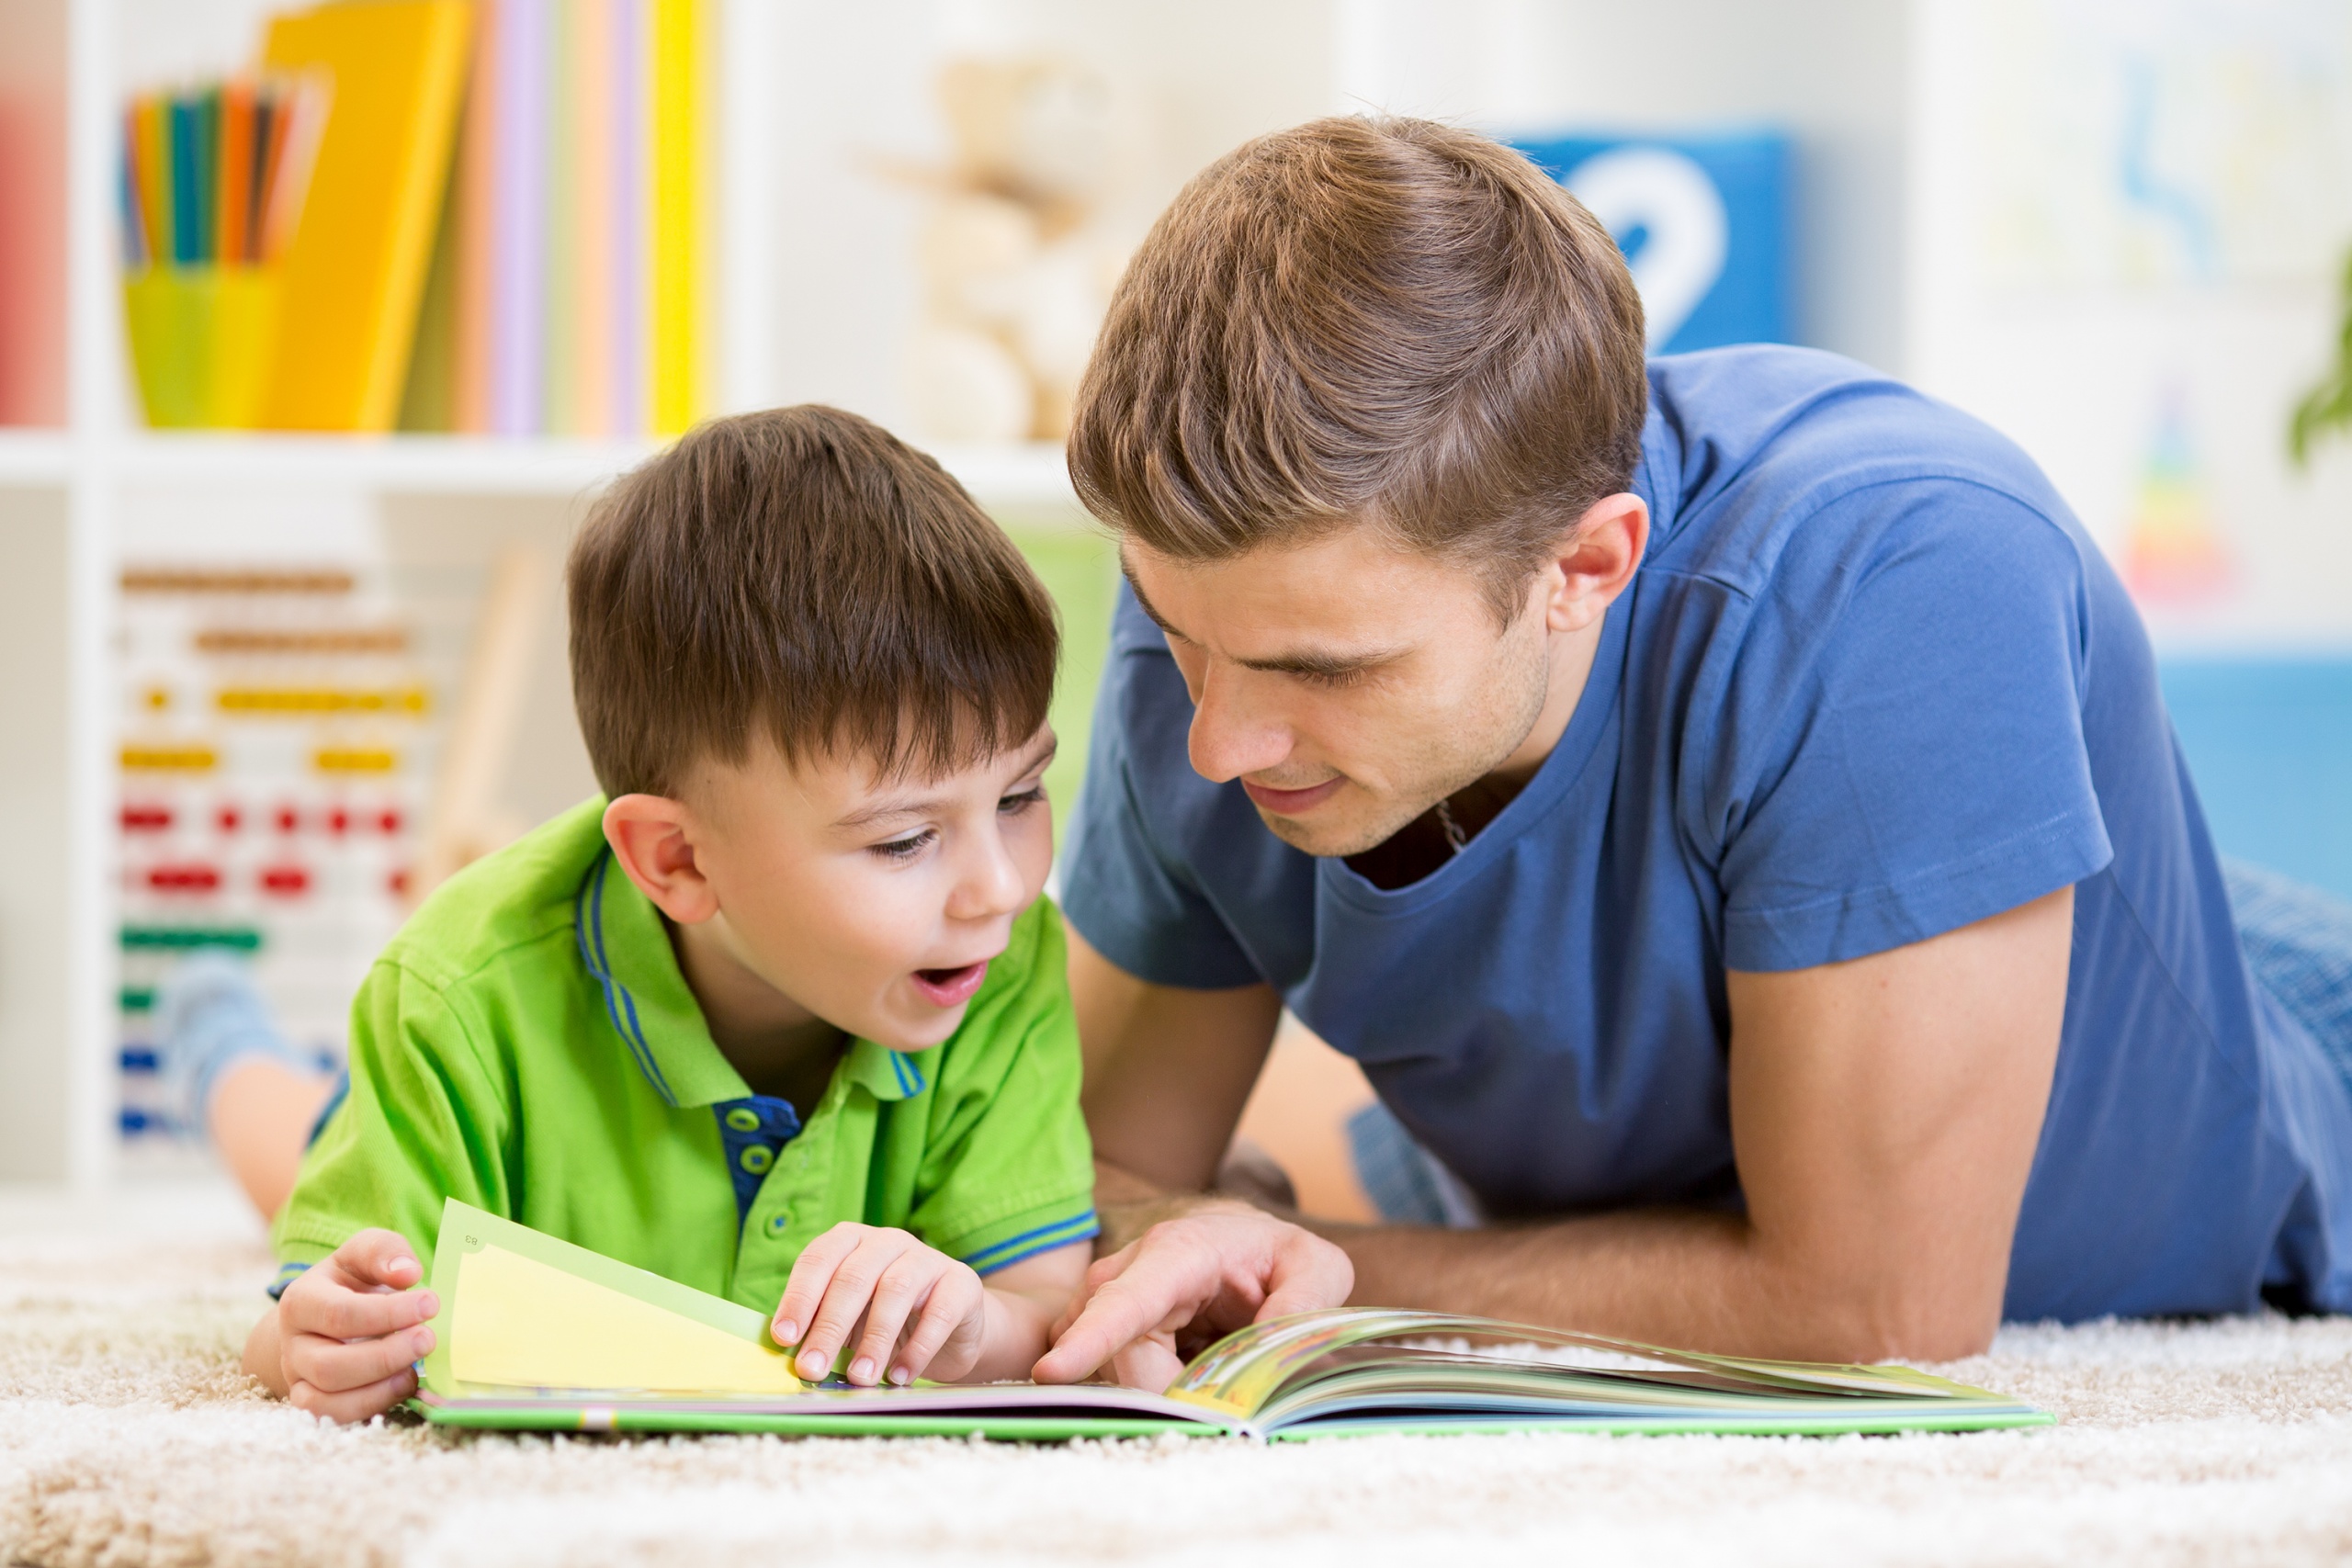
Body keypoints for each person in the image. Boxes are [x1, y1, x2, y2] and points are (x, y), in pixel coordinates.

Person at [1033, 116, 2352, 1391]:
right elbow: (1083, 1197)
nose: (1215, 740)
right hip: (1554, 1158)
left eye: (1325, 669)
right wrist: (1202, 1221)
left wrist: (1305, 1267)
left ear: (1586, 566)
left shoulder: (1902, 574)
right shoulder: (1230, 614)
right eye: (1171, 623)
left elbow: (1879, 1307)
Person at [236, 407, 1111, 1422]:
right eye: (904, 841)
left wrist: (966, 1329)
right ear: (679, 860)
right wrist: (311, 1338)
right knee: (279, 1140)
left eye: (1018, 798)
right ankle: (222, 1038)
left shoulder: (997, 954)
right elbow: (302, 1325)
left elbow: (1044, 1305)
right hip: (405, 1060)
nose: (1000, 886)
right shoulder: (449, 996)